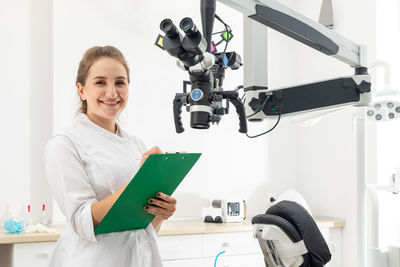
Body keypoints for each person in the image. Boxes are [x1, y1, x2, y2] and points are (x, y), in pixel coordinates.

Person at [45, 46, 176, 267]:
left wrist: (160, 212)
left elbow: (141, 225)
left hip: (141, 258)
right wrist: (140, 184)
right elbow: (82, 221)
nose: (112, 93)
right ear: (81, 89)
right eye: (100, 82)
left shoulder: (136, 144)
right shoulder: (64, 144)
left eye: (119, 82)